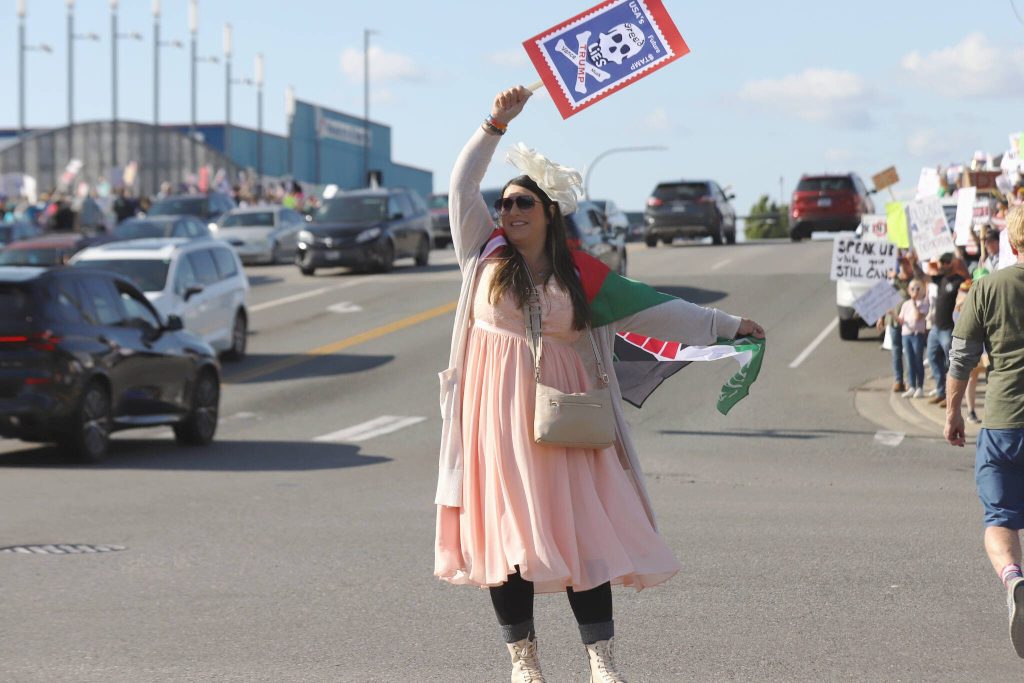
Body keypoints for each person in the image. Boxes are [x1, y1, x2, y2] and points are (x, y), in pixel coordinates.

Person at [433, 85, 765, 683]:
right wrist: (494, 125)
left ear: (549, 214)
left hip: (564, 423)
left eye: (521, 206)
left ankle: (601, 662)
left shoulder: (580, 275)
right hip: (493, 428)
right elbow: (461, 186)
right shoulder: (482, 253)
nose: (508, 213)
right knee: (506, 542)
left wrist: (727, 323)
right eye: (505, 203)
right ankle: (524, 661)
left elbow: (654, 309)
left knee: (585, 540)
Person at [945, 206, 1024, 658]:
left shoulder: (987, 288)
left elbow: (961, 356)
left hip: (1003, 422)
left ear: (1010, 244)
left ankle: (1014, 579)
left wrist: (954, 411)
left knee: (1000, 518)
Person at [926, 253, 966, 407]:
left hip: (949, 329)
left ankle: (951, 398)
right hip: (936, 328)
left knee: (951, 364)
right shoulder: (941, 279)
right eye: (940, 261)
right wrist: (914, 263)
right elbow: (922, 276)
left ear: (952, 263)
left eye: (945, 262)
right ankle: (940, 391)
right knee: (932, 358)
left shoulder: (959, 280)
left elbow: (967, 289)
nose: (941, 264)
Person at [898, 279, 929, 398]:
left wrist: (915, 304)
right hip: (906, 334)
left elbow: (917, 317)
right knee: (909, 361)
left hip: (917, 335)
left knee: (917, 360)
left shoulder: (923, 303)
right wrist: (892, 315)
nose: (915, 291)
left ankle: (920, 386)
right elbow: (901, 320)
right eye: (912, 289)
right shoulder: (906, 304)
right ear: (908, 291)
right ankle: (912, 386)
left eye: (918, 289)